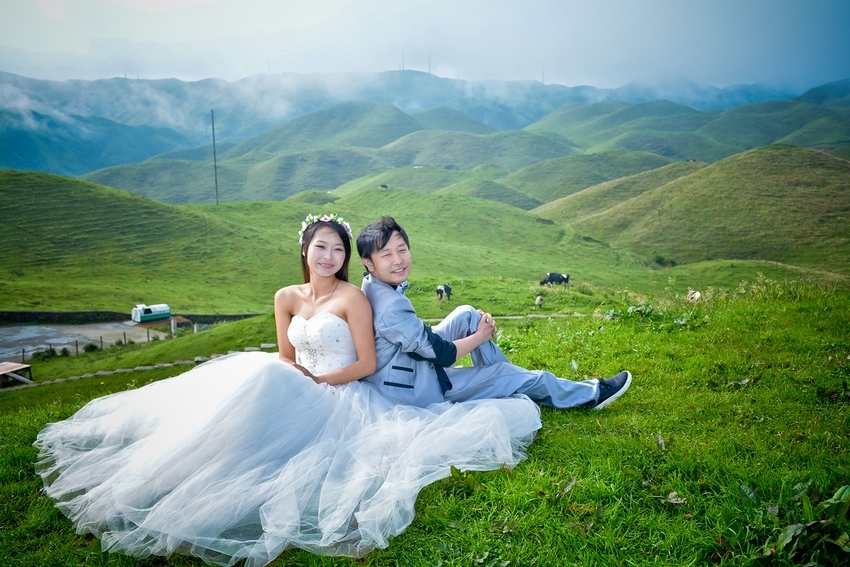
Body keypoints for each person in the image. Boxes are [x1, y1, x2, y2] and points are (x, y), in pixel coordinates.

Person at [33, 214, 541, 566]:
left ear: (349, 259)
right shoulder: (285, 297)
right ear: (305, 250)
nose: (329, 256)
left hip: (342, 389)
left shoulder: (354, 298)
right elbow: (284, 356)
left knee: (289, 432)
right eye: (321, 247)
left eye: (338, 249)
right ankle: (180, 472)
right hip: (294, 379)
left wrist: (315, 383)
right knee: (252, 391)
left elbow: (366, 363)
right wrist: (295, 380)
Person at [357, 216, 632, 409]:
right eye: (386, 255)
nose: (398, 260)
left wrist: (476, 328)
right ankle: (591, 394)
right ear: (368, 262)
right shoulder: (391, 305)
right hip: (414, 388)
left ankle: (505, 379)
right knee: (503, 371)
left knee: (468, 314)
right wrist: (480, 336)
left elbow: (411, 335)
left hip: (402, 366)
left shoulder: (372, 285)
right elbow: (440, 354)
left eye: (402, 249)